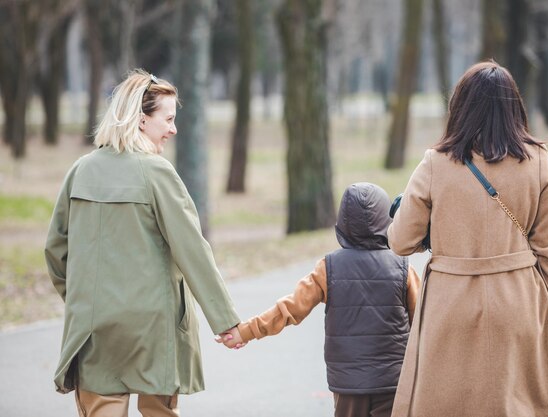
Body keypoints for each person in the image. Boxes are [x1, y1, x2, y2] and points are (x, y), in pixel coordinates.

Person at [386, 61, 548, 417]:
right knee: (518, 404)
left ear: (460, 106)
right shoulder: (538, 159)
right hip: (520, 300)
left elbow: (400, 241)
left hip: (450, 304)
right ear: (514, 107)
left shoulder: (436, 163)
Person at [44, 69, 241, 417]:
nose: (173, 128)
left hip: (95, 327)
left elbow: (56, 249)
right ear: (140, 120)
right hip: (153, 328)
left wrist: (82, 301)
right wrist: (225, 320)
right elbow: (192, 250)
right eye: (167, 119)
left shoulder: (81, 170)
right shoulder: (157, 172)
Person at [217, 182, 421, 417]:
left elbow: (289, 309)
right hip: (393, 380)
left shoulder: (329, 268)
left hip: (348, 384)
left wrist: (245, 331)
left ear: (343, 223)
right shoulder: (403, 269)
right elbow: (423, 322)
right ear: (387, 221)